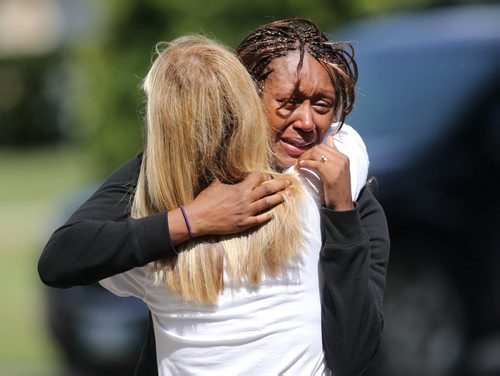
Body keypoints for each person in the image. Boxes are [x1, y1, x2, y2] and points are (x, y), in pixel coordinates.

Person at [38, 19, 389, 375]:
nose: (307, 122)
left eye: (323, 105)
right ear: (245, 100)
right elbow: (61, 258)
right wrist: (194, 218)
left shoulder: (346, 199)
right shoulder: (183, 183)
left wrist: (342, 213)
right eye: (287, 102)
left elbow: (354, 356)